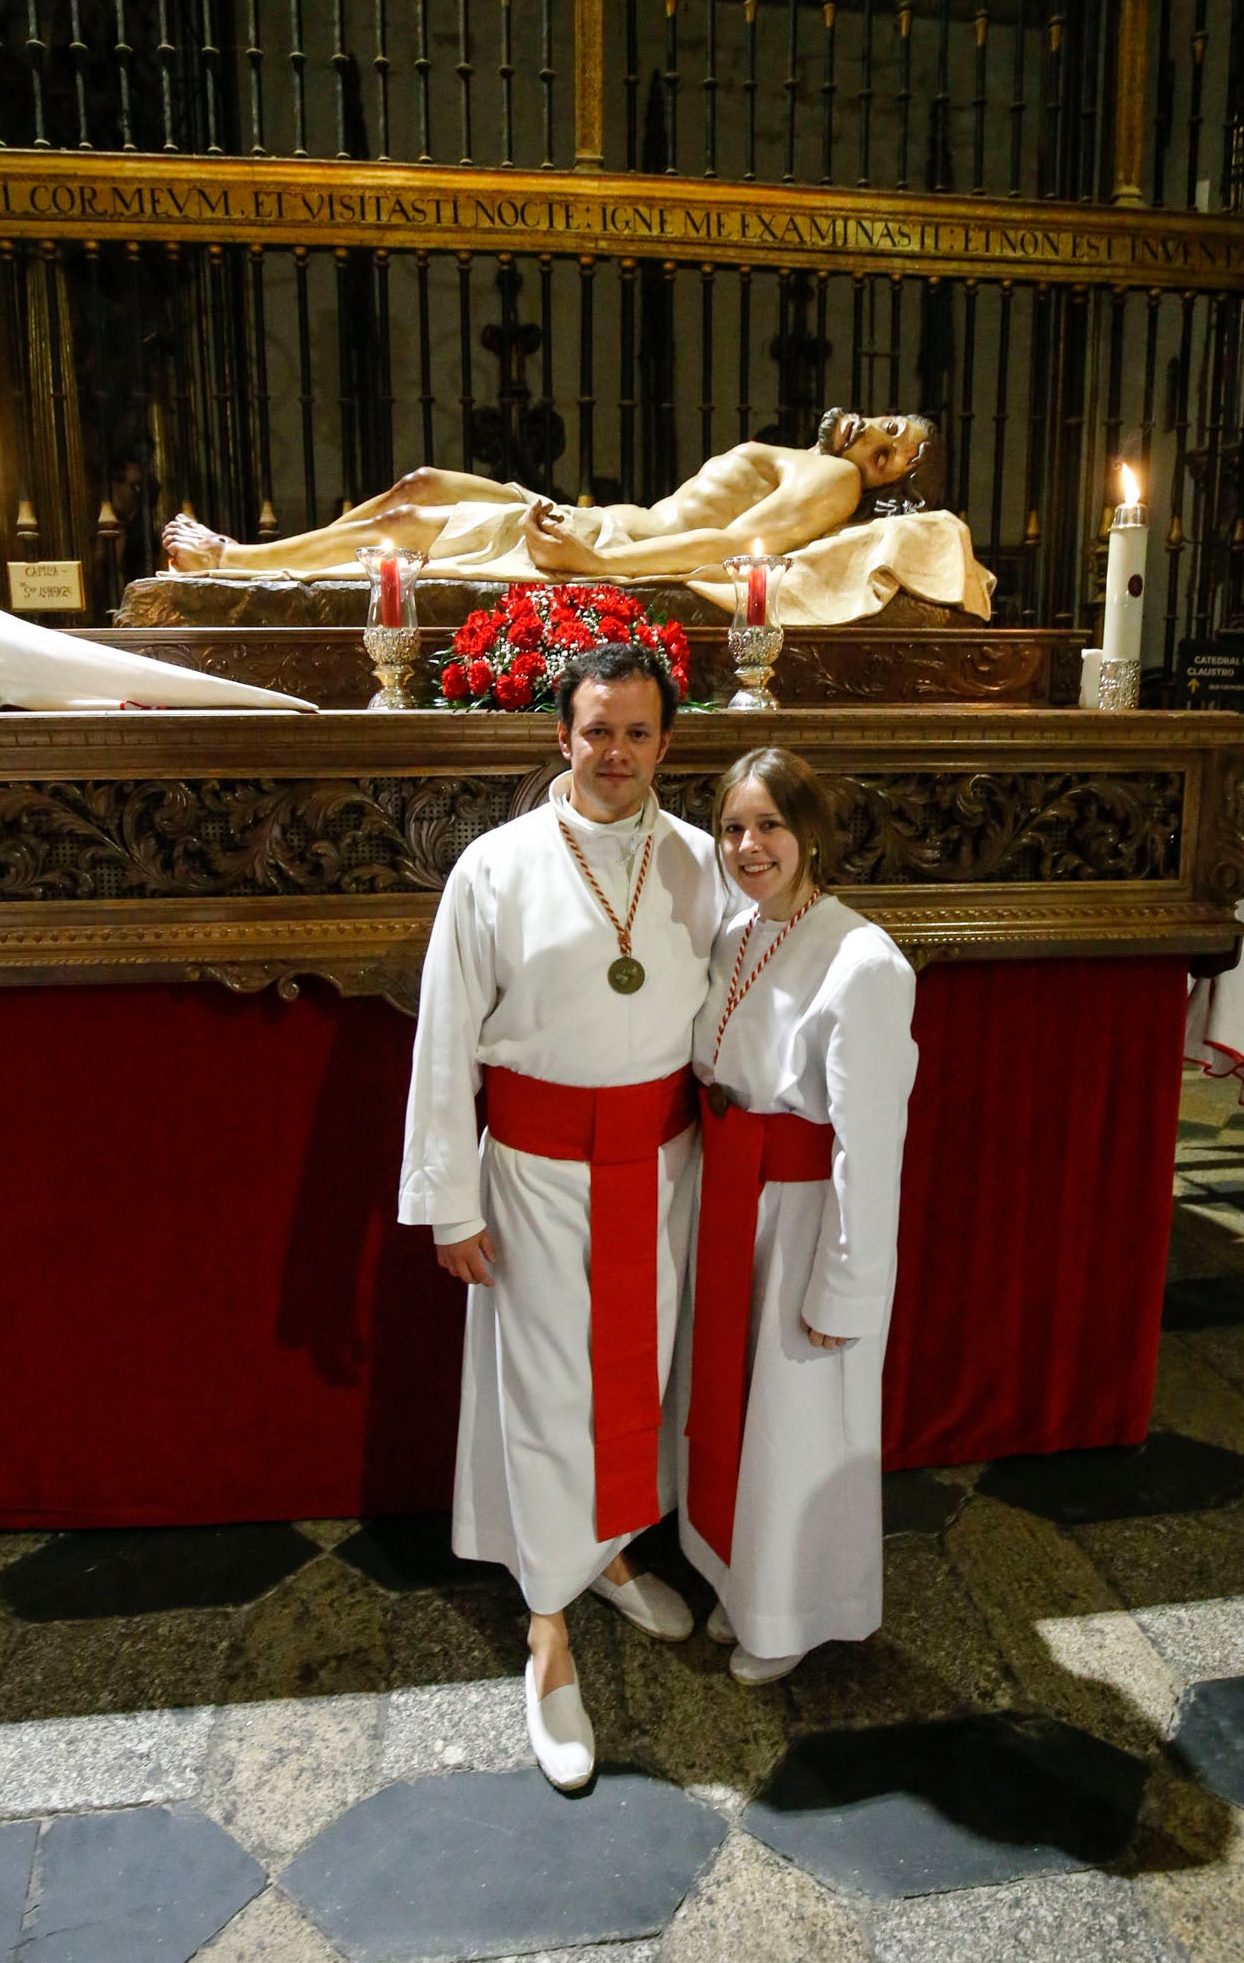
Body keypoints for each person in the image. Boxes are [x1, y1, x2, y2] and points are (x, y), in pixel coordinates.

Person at [398, 643, 724, 1789]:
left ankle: (609, 1552)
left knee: (637, 1380)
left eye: (638, 734)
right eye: (597, 730)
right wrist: (447, 1202)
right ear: (560, 735)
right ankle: (547, 1630)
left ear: (666, 745)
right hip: (533, 1172)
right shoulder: (494, 868)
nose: (616, 754)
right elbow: (444, 1040)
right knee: (547, 1390)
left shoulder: (699, 860)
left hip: (661, 1164)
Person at [679, 747, 917, 1683]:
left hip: (806, 1218)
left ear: (811, 832)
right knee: (734, 1412)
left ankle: (789, 1614)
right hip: (734, 1202)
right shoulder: (736, 935)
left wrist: (848, 1286)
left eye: (770, 825)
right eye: (734, 827)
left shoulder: (862, 958)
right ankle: (739, 1584)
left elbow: (871, 1144)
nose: (748, 845)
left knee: (795, 1421)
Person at [161, 410, 944, 582]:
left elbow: (732, 548)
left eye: (887, 458)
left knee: (403, 521)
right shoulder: (798, 452)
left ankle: (236, 560)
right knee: (422, 483)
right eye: (890, 425)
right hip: (595, 521)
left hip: (607, 541)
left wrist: (596, 565)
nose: (870, 441)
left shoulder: (829, 480)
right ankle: (251, 559)